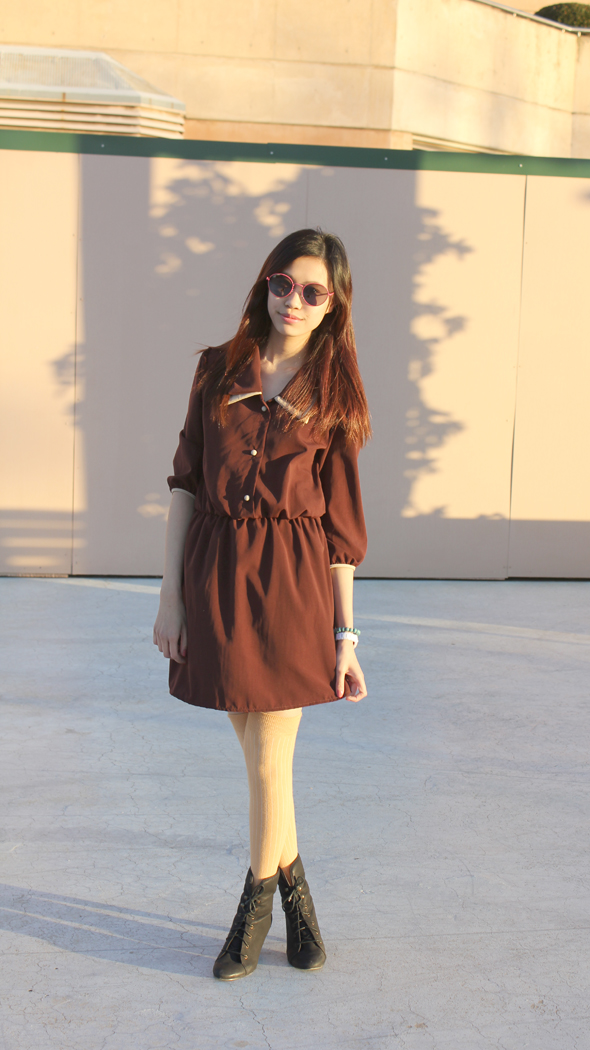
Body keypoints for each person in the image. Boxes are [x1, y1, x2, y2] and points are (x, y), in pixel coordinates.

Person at [152, 228, 371, 981]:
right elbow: (185, 485)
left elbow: (341, 532)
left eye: (313, 291)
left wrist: (345, 636)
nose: (293, 301)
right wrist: (170, 598)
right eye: (283, 283)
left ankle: (255, 906)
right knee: (259, 762)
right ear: (264, 285)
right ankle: (300, 901)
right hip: (216, 576)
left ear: (334, 304)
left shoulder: (336, 395)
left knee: (271, 756)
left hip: (293, 588)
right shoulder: (217, 370)